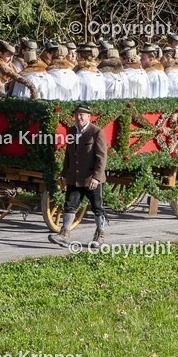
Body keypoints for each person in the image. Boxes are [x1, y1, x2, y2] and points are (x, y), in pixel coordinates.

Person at [49, 103, 109, 249]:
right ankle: (64, 234)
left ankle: (99, 235)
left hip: (91, 179)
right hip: (74, 178)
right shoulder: (71, 131)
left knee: (97, 207)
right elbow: (68, 155)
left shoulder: (96, 132)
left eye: (82, 114)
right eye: (77, 114)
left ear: (89, 116)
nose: (79, 117)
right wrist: (64, 174)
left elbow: (102, 157)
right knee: (69, 206)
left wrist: (96, 177)